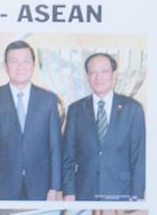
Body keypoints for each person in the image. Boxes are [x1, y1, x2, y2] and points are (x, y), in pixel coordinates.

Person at [0, 41, 63, 202]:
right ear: (5, 66)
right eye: (14, 61)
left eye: (26, 61)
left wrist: (55, 187)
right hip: (1, 186)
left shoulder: (48, 100)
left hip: (41, 186)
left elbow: (55, 146)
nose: (20, 66)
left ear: (33, 65)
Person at [62, 52, 146, 202]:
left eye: (104, 71)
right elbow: (68, 155)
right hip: (84, 191)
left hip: (121, 191)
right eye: (93, 72)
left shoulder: (132, 109)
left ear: (114, 75)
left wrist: (136, 196)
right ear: (87, 77)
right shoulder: (75, 110)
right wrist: (68, 191)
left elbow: (138, 157)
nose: (98, 77)